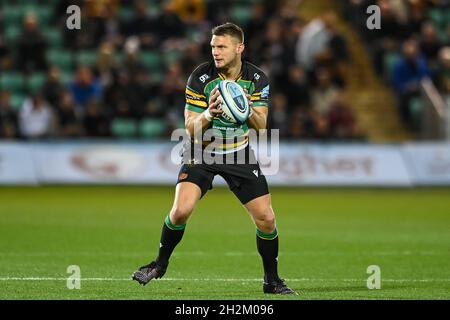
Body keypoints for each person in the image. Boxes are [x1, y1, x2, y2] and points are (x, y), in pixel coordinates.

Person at [132, 22, 296, 295]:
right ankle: (159, 264)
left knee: (266, 219)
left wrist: (245, 108)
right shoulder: (201, 77)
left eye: (221, 47)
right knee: (181, 211)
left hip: (238, 151)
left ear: (239, 48)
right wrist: (209, 113)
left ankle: (272, 280)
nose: (216, 52)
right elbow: (190, 127)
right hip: (202, 151)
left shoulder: (256, 80)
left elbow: (262, 126)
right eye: (213, 47)